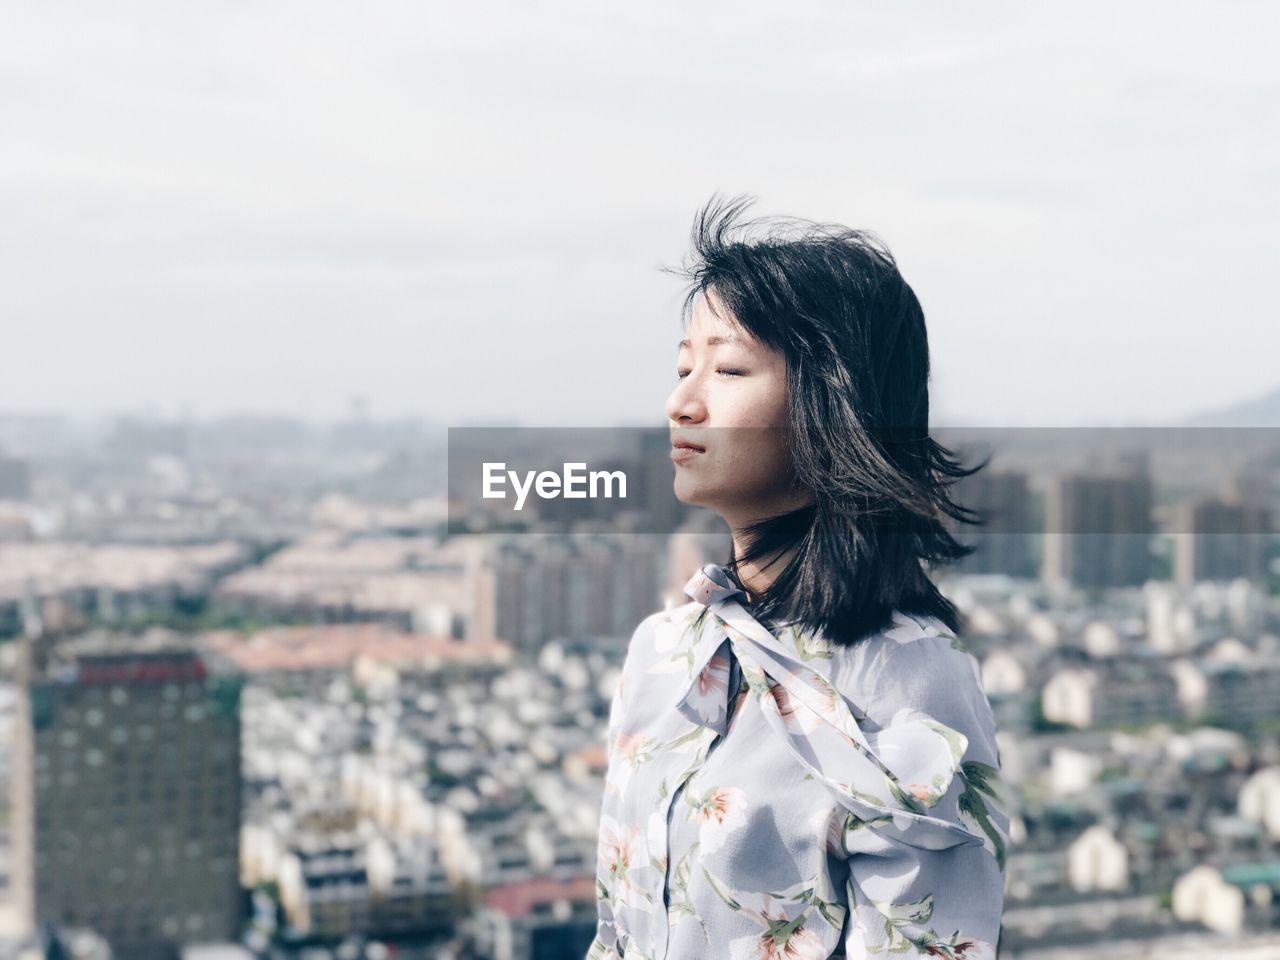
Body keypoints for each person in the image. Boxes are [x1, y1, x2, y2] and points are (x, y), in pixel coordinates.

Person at [586, 196, 1010, 960]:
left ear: (833, 401)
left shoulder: (908, 676)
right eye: (684, 367)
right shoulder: (663, 653)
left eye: (727, 368)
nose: (681, 402)